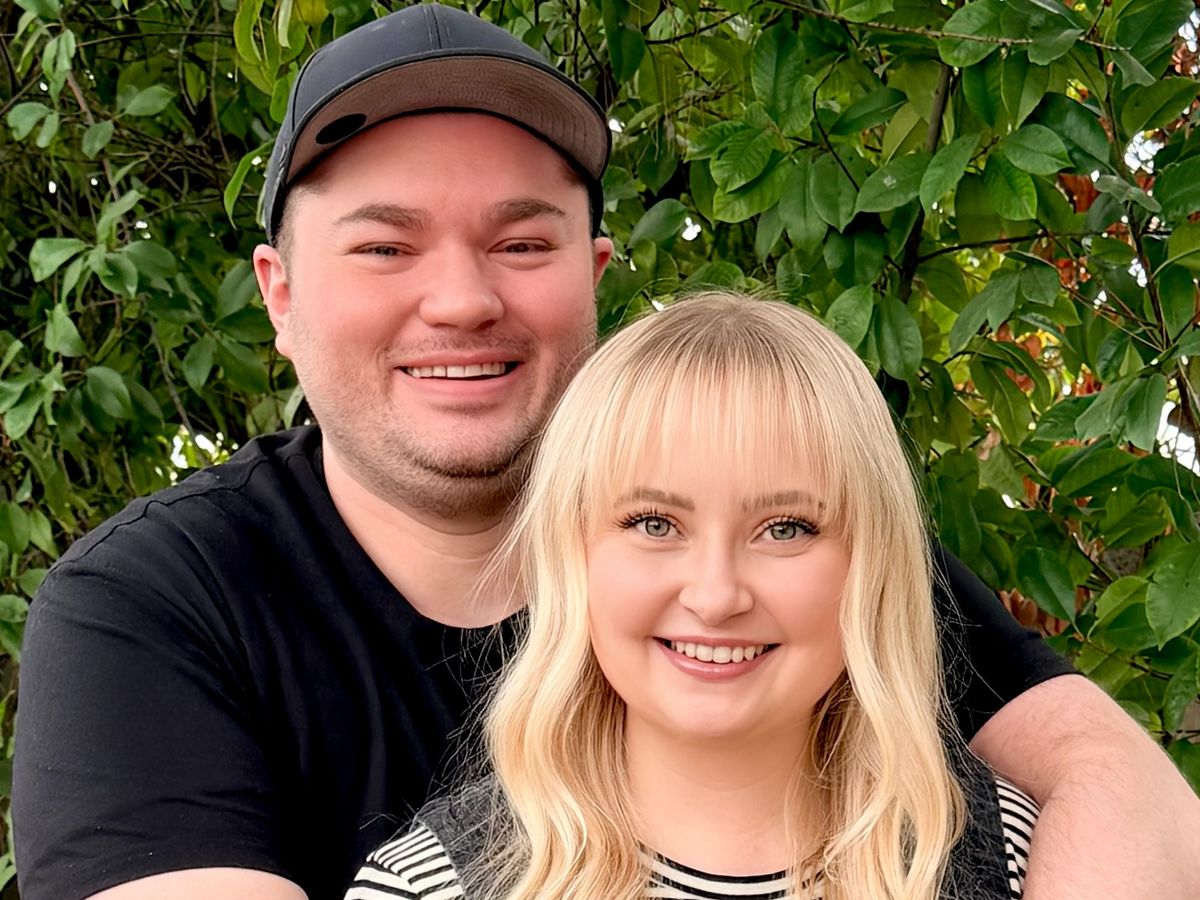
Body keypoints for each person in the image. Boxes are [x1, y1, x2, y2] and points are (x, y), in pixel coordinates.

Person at [11, 5, 1200, 900]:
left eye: (522, 243)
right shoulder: (153, 609)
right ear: (278, 294)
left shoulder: (776, 546)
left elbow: (1113, 778)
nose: (462, 300)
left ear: (593, 274)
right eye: (385, 247)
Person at [346, 292, 1044, 900]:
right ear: (571, 553)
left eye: (785, 528)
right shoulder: (426, 886)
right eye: (655, 524)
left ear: (871, 562)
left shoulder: (1018, 858)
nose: (715, 596)